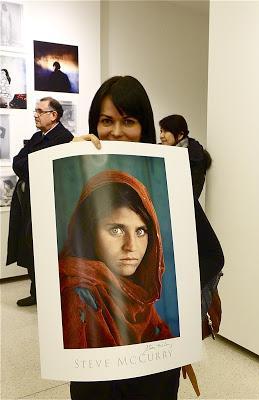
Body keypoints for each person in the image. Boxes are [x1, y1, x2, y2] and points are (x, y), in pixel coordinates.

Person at [71, 75, 224, 399]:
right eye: (106, 120)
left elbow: (212, 254)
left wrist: (180, 313)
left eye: (128, 121)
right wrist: (70, 161)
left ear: (145, 126)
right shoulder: (83, 179)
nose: (115, 131)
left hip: (155, 358)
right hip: (94, 362)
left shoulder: (169, 180)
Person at [59, 169, 173, 348]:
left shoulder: (138, 292)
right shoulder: (77, 294)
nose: (131, 246)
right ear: (88, 231)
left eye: (141, 231)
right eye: (116, 230)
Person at [6, 97, 74, 306]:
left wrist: (31, 164)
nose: (35, 114)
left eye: (39, 111)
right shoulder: (38, 137)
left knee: (45, 251)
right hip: (28, 202)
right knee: (29, 247)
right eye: (35, 110)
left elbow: (42, 167)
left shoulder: (63, 138)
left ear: (53, 115)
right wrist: (32, 164)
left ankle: (50, 298)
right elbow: (18, 163)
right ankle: (36, 293)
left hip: (49, 205)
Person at [159, 114, 211, 199]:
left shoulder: (195, 157)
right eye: (161, 131)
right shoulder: (158, 150)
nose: (161, 136)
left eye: (165, 131)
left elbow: (193, 194)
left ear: (180, 135)